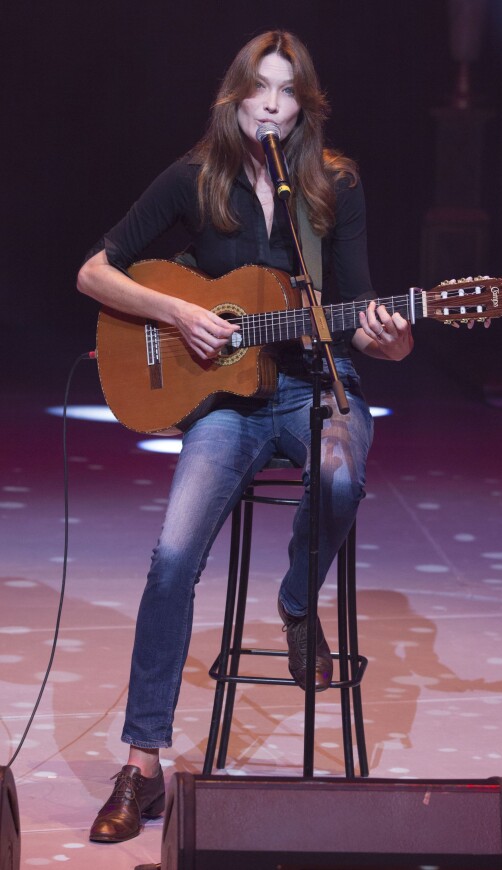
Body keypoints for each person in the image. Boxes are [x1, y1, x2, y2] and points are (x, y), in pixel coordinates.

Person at [77, 29, 413, 844]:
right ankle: (143, 764)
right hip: (224, 403)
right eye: (259, 88)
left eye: (287, 91)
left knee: (340, 476)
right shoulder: (197, 180)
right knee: (172, 555)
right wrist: (180, 312)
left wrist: (392, 334)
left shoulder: (333, 186)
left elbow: (366, 315)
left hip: (310, 386)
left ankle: (299, 603)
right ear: (235, 96)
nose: (271, 103)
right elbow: (96, 269)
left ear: (306, 103)